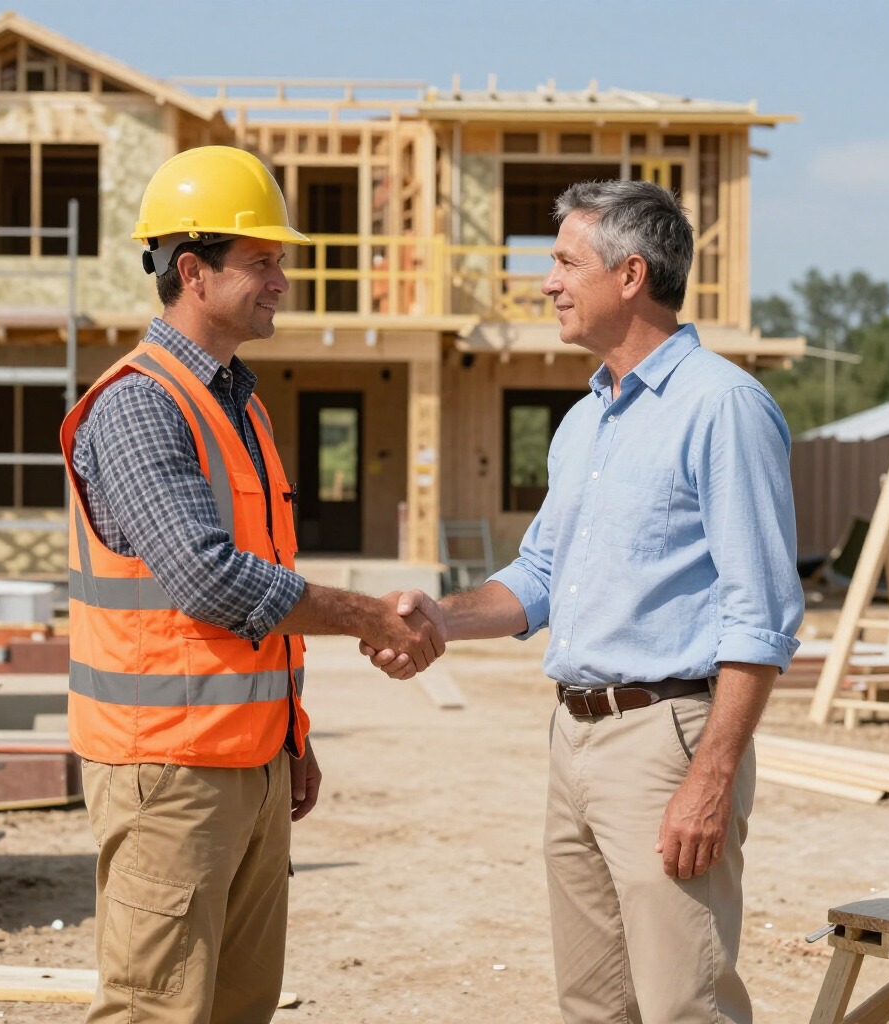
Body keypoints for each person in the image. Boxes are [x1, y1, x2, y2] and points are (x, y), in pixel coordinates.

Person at [363, 179, 803, 1024]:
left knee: (685, 1003)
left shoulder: (723, 407)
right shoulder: (585, 422)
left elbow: (761, 615)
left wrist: (709, 780)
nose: (547, 282)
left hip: (667, 741)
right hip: (573, 737)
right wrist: (439, 617)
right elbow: (537, 578)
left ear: (630, 274)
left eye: (564, 261)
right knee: (593, 1005)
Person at [61, 146, 444, 1024]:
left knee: (239, 1008)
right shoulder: (138, 404)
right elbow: (207, 578)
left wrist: (289, 737)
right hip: (167, 771)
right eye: (263, 262)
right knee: (155, 1011)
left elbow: (259, 603)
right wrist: (365, 616)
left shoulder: (239, 402)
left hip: (247, 760)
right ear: (192, 271)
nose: (282, 281)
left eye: (283, 262)